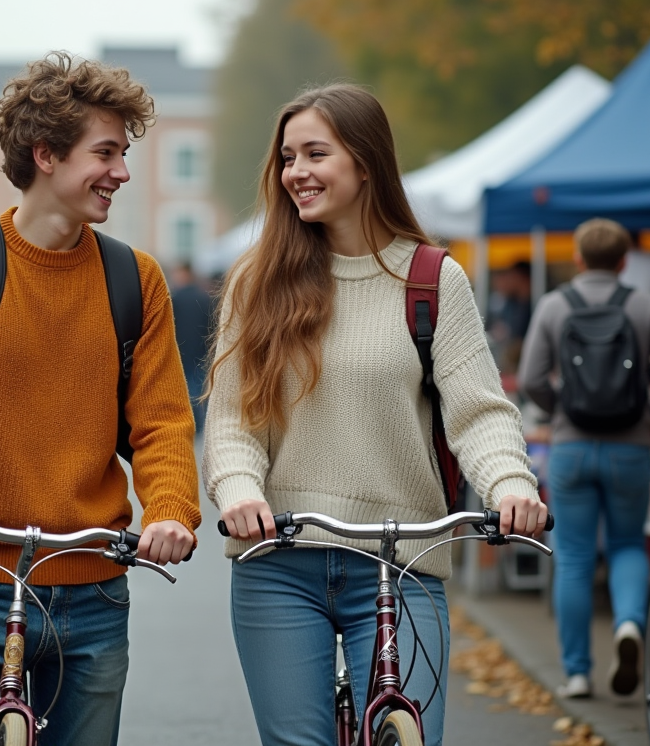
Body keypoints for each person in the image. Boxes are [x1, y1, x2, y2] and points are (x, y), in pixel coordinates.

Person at [0, 52, 202, 746]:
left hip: (96, 589)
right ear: (46, 154)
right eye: (105, 152)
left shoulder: (134, 279)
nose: (122, 171)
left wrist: (171, 507)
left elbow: (164, 421)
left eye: (124, 152)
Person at [202, 83, 546, 746]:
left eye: (314, 153)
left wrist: (510, 484)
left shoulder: (432, 278)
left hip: (403, 562)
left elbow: (477, 412)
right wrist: (239, 490)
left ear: (365, 163)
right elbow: (234, 418)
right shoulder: (258, 280)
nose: (295, 171)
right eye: (287, 157)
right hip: (280, 560)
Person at [517, 218, 650, 700]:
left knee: (574, 556)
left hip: (572, 448)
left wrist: (561, 414)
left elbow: (532, 378)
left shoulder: (554, 305)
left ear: (577, 258)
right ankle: (630, 626)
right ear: (624, 261)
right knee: (627, 545)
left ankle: (577, 673)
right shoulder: (645, 305)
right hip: (631, 447)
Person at [169, 262, 214, 433]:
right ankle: (201, 424)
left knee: (186, 388)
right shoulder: (204, 297)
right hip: (201, 350)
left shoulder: (175, 297)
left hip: (181, 350)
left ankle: (190, 423)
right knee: (199, 387)